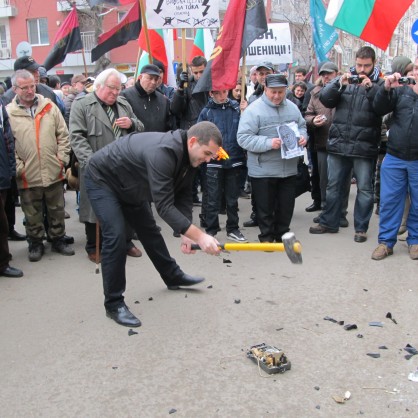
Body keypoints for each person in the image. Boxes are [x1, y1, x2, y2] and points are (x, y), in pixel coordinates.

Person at [84, 121, 222, 327]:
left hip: (131, 184)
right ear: (193, 141)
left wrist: (186, 233)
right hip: (103, 179)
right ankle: (114, 304)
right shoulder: (163, 153)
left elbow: (183, 192)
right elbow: (164, 206)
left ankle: (172, 276)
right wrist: (200, 236)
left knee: (150, 231)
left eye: (212, 155)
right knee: (116, 235)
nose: (209, 159)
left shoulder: (190, 157)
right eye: (208, 153)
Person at [309, 46, 384, 243]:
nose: (361, 69)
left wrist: (370, 87)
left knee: (365, 190)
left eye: (366, 66)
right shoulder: (345, 79)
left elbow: (381, 107)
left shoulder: (379, 83)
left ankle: (361, 228)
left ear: (373, 64)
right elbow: (326, 99)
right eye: (359, 65)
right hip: (339, 142)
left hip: (364, 146)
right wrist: (337, 83)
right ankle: (329, 222)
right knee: (333, 186)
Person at [70, 68, 144, 263]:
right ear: (99, 86)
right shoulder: (83, 105)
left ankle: (126, 242)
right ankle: (94, 246)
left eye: (118, 89)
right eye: (111, 89)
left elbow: (140, 127)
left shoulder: (123, 104)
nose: (115, 93)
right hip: (96, 166)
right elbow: (77, 137)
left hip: (123, 166)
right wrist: (92, 162)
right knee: (95, 208)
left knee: (125, 205)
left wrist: (132, 123)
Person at [6, 70, 74, 261]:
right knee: (32, 213)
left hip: (53, 168)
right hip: (27, 173)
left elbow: (63, 135)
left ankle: (58, 239)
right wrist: (19, 167)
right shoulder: (10, 113)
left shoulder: (49, 107)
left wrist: (61, 159)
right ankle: (35, 243)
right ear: (15, 89)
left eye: (32, 85)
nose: (29, 90)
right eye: (24, 87)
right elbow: (8, 143)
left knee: (57, 209)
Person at [237, 74, 307, 243]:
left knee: (286, 207)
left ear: (286, 90)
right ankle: (267, 237)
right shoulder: (253, 110)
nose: (277, 96)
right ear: (265, 89)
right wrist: (268, 143)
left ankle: (282, 234)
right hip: (263, 170)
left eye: (281, 92)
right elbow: (243, 138)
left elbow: (302, 126)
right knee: (265, 207)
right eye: (273, 92)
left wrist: (304, 137)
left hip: (288, 168)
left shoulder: (292, 107)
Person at [370, 58, 418, 261]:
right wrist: (386, 88)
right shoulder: (401, 90)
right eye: (415, 67)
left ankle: (415, 241)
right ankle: (386, 243)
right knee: (389, 201)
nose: (416, 72)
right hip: (395, 156)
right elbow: (378, 108)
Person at [304, 61, 350, 228]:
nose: (325, 77)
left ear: (337, 73)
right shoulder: (315, 93)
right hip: (323, 142)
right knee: (325, 181)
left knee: (342, 180)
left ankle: (341, 213)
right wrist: (312, 120)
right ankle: (326, 210)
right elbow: (307, 114)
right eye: (323, 74)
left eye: (329, 74)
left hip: (343, 144)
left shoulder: (347, 89)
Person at [197, 89, 247, 241]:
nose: (221, 96)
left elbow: (246, 128)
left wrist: (245, 111)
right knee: (213, 197)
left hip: (234, 158)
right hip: (213, 161)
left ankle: (233, 228)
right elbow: (199, 134)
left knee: (232, 198)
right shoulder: (206, 111)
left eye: (224, 92)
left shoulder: (237, 108)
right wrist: (210, 150)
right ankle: (211, 230)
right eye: (217, 93)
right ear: (211, 93)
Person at [0, 98, 23, 278]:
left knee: (2, 223)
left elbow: (8, 138)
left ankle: (2, 262)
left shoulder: (0, 106)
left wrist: (10, 168)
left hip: (2, 172)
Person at [120, 64, 174, 132]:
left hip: (159, 141)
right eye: (150, 78)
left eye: (156, 79)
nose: (153, 82)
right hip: (135, 141)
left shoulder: (163, 100)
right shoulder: (125, 96)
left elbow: (168, 125)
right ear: (140, 77)